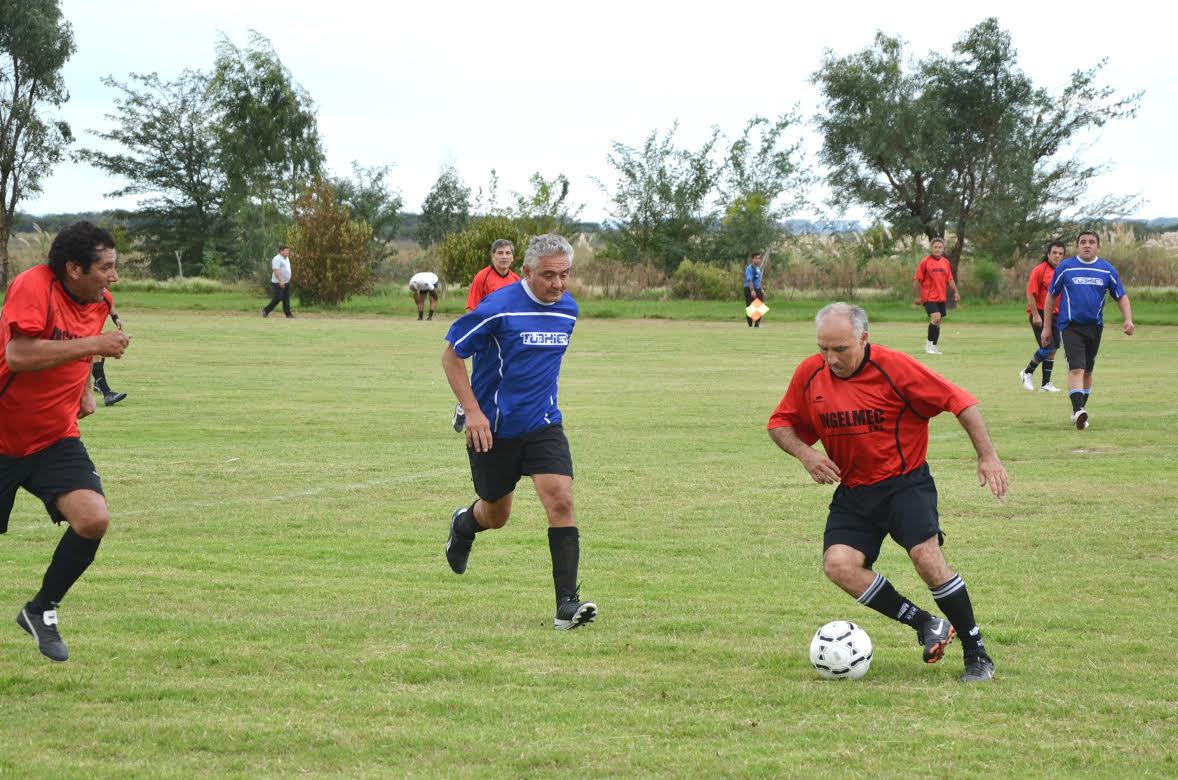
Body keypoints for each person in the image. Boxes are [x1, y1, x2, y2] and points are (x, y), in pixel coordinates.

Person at [767, 302, 1007, 682]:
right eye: (823, 349)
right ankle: (925, 623)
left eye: (841, 349)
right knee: (839, 566)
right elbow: (780, 424)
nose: (831, 359)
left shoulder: (896, 368)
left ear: (864, 338)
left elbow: (960, 402)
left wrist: (987, 456)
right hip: (854, 490)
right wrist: (806, 454)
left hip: (904, 483)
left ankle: (977, 653)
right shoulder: (810, 374)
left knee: (927, 559)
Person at [441, 233, 596, 631]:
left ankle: (566, 605)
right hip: (493, 428)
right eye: (548, 275)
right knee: (496, 515)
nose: (558, 284)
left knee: (560, 498)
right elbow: (452, 354)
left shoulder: (568, 311)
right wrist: (473, 412)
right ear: (526, 272)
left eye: (565, 275)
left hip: (544, 424)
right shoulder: (498, 308)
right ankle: (463, 525)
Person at [0, 221, 131, 662]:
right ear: (74, 268)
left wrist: (84, 393)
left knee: (93, 519)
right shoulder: (33, 286)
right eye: (107, 267)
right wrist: (94, 343)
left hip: (54, 437)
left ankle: (41, 611)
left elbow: (79, 350)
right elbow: (19, 354)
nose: (114, 277)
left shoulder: (99, 301)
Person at [1040, 230, 1135, 430]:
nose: (1087, 245)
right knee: (1076, 368)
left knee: (1088, 371)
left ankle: (1080, 410)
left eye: (1092, 242)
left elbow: (1121, 296)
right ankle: (1078, 411)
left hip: (1095, 327)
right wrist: (1047, 326)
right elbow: (1051, 297)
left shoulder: (1106, 269)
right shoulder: (1066, 267)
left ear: (1098, 246)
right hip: (1069, 326)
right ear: (1077, 246)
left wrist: (1128, 319)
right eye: (1083, 241)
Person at [452, 240, 521, 432]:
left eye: (508, 253)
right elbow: (471, 308)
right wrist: (474, 336)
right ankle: (463, 407)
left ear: (513, 257)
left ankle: (502, 416)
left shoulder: (516, 280)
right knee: (482, 379)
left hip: (506, 339)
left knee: (507, 375)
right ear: (492, 256)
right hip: (486, 338)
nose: (504, 256)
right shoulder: (482, 277)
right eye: (500, 253)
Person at [1018, 241, 1066, 393]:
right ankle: (1027, 372)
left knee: (1053, 350)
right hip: (1040, 314)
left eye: (1060, 253)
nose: (1057, 256)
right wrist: (1035, 315)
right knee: (1047, 347)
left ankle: (1046, 384)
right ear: (1048, 254)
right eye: (1054, 252)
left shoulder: (1062, 271)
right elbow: (1030, 293)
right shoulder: (1039, 270)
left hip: (1056, 315)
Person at [913, 238, 960, 354]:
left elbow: (950, 279)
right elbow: (916, 280)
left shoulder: (946, 262)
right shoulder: (925, 262)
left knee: (938, 322)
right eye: (935, 247)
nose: (937, 249)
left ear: (943, 249)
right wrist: (917, 296)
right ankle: (928, 346)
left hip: (941, 297)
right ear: (931, 248)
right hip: (929, 297)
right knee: (936, 317)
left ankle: (933, 347)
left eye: (940, 247)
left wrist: (956, 292)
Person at [262, 245, 293, 318]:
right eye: (286, 251)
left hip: (286, 282)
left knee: (286, 299)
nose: (288, 252)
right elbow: (276, 270)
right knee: (278, 297)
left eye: (288, 251)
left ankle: (288, 314)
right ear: (281, 251)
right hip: (278, 282)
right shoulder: (277, 259)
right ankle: (266, 310)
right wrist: (280, 280)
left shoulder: (287, 258)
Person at [743, 251, 766, 328]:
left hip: (757, 289)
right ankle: (750, 325)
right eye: (756, 258)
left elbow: (758, 280)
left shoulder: (758, 269)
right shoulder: (749, 269)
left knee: (760, 306)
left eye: (759, 258)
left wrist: (761, 289)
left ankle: (757, 324)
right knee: (750, 307)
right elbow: (749, 280)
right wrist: (752, 290)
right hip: (749, 289)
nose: (758, 260)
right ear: (752, 259)